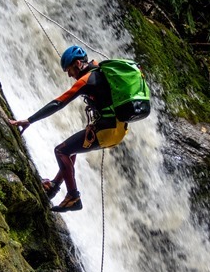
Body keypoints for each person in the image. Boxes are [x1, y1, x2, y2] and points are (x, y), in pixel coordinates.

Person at [8, 45, 129, 212]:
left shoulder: (86, 80)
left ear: (79, 63)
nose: (69, 75)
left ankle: (73, 196)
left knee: (61, 151)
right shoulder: (99, 69)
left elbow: (58, 103)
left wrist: (30, 120)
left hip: (108, 129)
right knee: (70, 150)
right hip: (118, 128)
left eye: (70, 70)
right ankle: (53, 186)